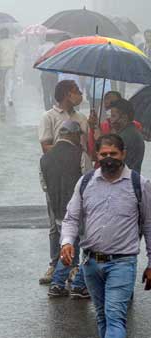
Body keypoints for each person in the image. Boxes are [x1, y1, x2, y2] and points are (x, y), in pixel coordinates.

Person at [60, 134, 151, 338]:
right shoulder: (85, 182)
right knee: (102, 317)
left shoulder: (139, 184)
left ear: (123, 154)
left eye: (113, 153)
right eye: (104, 154)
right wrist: (66, 243)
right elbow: (72, 218)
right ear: (97, 156)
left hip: (122, 263)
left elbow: (149, 224)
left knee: (115, 317)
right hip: (91, 263)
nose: (109, 158)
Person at [38, 79, 89, 284]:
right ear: (68, 94)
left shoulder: (82, 118)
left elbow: (90, 148)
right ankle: (55, 263)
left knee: (79, 224)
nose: (80, 95)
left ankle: (75, 265)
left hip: (79, 173)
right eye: (77, 91)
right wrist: (68, 151)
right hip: (56, 177)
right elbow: (46, 146)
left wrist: (91, 129)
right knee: (55, 224)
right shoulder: (48, 117)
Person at [41, 121, 93, 299]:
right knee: (86, 247)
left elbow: (44, 186)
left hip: (58, 211)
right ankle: (74, 284)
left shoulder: (45, 158)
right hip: (79, 211)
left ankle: (59, 284)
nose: (80, 139)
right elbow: (90, 182)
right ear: (72, 135)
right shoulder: (81, 154)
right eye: (79, 135)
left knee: (67, 247)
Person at [108, 99, 145, 173]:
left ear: (124, 118)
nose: (110, 120)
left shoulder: (125, 136)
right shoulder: (130, 132)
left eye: (113, 116)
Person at [0, 28, 17, 108]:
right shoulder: (13, 42)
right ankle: (9, 98)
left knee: (2, 82)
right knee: (11, 81)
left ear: (2, 34)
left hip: (2, 65)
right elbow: (16, 54)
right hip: (11, 64)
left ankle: (2, 98)